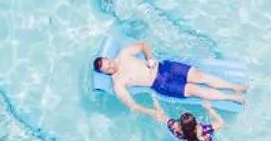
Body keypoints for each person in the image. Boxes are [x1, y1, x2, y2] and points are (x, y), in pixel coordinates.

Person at [94, 41, 248, 119]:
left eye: (109, 63)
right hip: (161, 84)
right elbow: (133, 106)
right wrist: (152, 112)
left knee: (200, 75)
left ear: (109, 59)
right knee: (195, 90)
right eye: (107, 69)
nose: (111, 66)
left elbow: (143, 45)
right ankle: (233, 97)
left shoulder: (123, 54)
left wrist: (150, 57)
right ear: (105, 73)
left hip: (165, 67)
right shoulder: (118, 83)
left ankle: (234, 87)